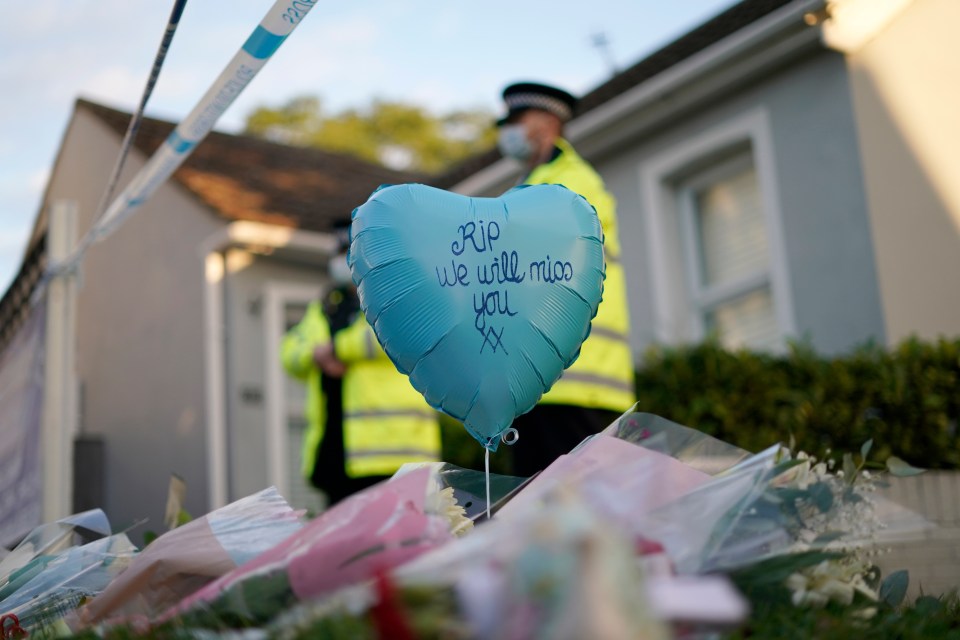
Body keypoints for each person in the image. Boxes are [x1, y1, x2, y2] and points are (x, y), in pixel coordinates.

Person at [495, 81, 636, 476]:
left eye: (517, 121)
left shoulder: (572, 180)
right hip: (542, 380)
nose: (507, 132)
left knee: (575, 516)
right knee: (542, 515)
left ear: (546, 122)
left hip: (576, 382)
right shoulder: (532, 185)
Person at [281, 246, 442, 505]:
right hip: (336, 453)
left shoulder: (398, 295)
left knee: (395, 540)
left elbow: (391, 334)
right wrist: (315, 355)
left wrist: (336, 349)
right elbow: (289, 350)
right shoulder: (326, 307)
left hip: (393, 452)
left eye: (350, 252)